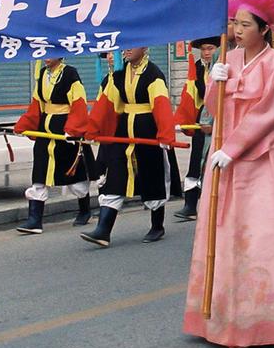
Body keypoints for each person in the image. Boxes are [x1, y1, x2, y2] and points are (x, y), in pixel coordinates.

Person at [183, 0, 274, 348]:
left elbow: (269, 114)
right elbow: (213, 107)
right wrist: (213, 82)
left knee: (262, 236)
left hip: (264, 161)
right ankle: (220, 318)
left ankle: (262, 323)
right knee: (225, 234)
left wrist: (232, 148)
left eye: (245, 24)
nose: (236, 29)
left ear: (266, 29)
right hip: (226, 161)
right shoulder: (228, 57)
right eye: (235, 22)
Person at [83, 47, 180, 247]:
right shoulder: (119, 73)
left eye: (132, 44)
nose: (125, 49)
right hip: (124, 131)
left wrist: (165, 134)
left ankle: (157, 225)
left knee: (152, 174)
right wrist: (91, 130)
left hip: (148, 130)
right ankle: (103, 230)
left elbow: (161, 105)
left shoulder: (154, 74)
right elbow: (106, 102)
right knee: (116, 174)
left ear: (144, 47)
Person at [12, 58, 95, 234]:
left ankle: (85, 209)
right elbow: (36, 104)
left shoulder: (70, 74)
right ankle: (34, 220)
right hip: (45, 129)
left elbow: (79, 103)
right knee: (40, 173)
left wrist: (73, 129)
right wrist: (24, 125)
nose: (47, 56)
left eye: (52, 52)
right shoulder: (43, 74)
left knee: (75, 178)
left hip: (64, 131)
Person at [174, 37, 219, 221]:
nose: (207, 52)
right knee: (195, 162)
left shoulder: (225, 67)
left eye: (210, 48)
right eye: (203, 49)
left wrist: (215, 120)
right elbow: (191, 94)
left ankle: (216, 207)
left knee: (215, 165)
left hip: (221, 119)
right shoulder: (198, 69)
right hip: (202, 119)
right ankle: (190, 205)